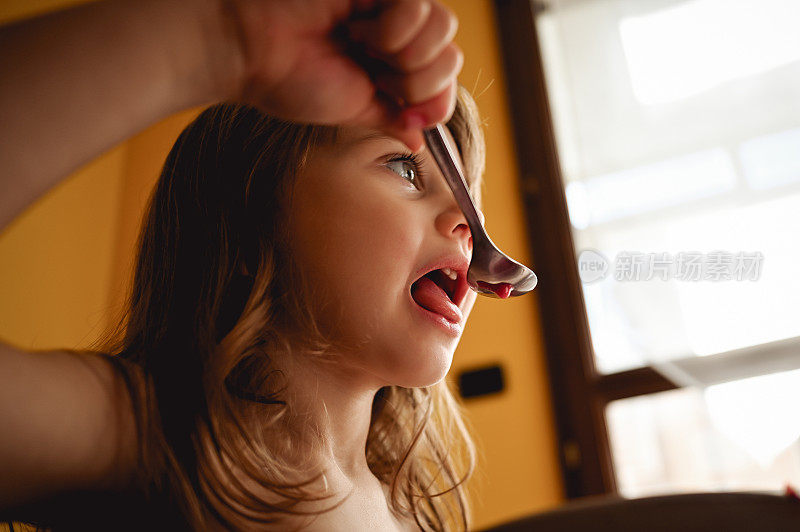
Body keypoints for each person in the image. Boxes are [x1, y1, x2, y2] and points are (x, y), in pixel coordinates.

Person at [0, 0, 485, 529]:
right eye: (405, 168)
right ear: (254, 203)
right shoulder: (162, 440)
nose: (468, 222)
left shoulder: (410, 510)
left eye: (471, 203)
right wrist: (228, 38)